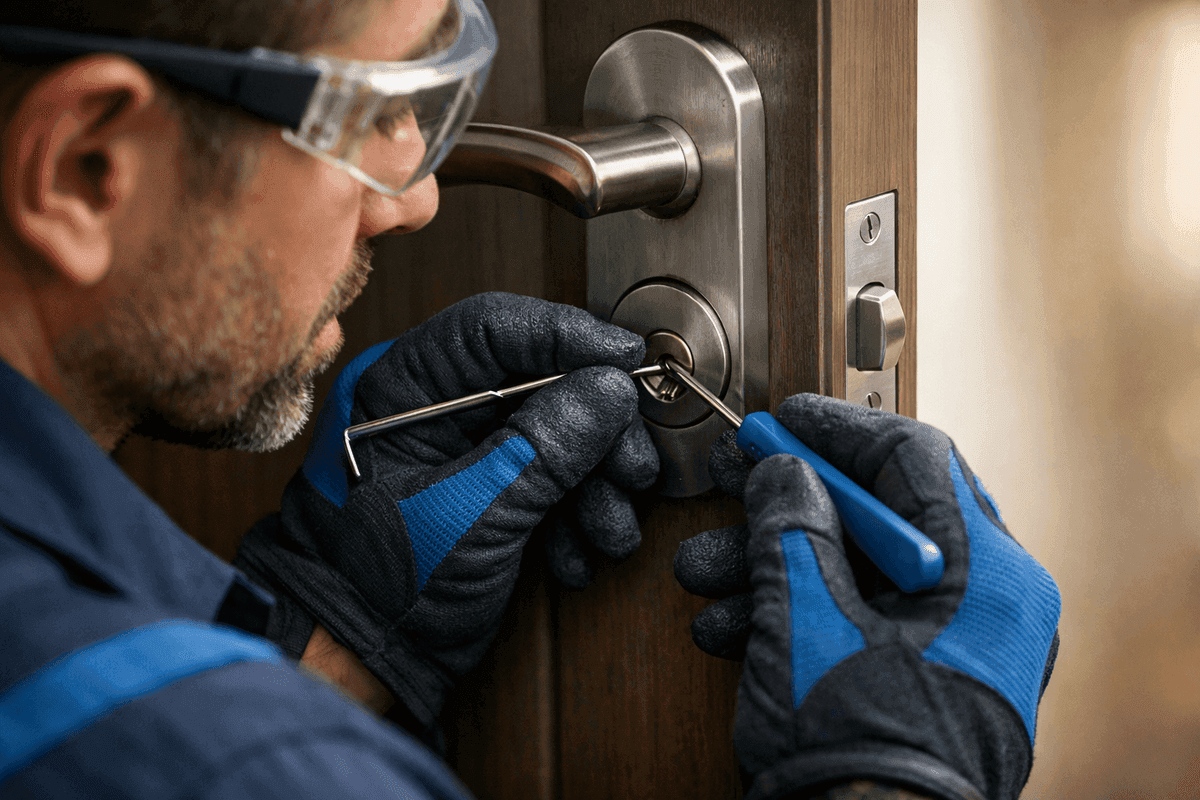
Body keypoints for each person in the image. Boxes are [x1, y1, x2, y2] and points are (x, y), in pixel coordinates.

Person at [0, 0, 1061, 797]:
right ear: (90, 167)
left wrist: (340, 630)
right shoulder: (247, 764)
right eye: (369, 111)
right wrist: (892, 776)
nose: (411, 200)